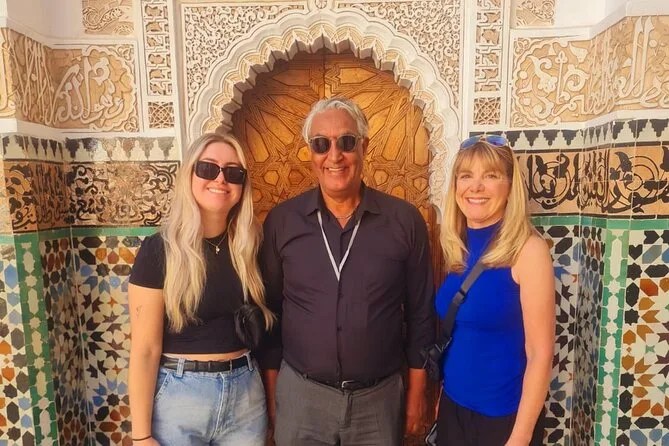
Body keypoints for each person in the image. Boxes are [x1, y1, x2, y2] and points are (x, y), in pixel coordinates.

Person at [258, 97, 436, 446]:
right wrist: (275, 395)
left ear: (364, 146)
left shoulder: (404, 221)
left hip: (378, 401)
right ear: (310, 152)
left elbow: (421, 314)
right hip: (301, 398)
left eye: (347, 142)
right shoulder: (282, 222)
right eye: (321, 144)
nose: (334, 155)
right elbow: (270, 315)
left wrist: (416, 394)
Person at [127, 133, 274, 445]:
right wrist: (141, 436)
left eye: (233, 172)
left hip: (246, 396)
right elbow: (145, 349)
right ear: (189, 175)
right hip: (181, 397)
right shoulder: (159, 250)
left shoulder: (251, 247)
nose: (221, 179)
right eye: (208, 168)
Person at [434, 135, 555, 445]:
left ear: (510, 186)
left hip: (502, 420)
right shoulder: (457, 247)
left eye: (490, 175)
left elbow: (540, 354)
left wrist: (520, 436)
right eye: (466, 176)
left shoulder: (529, 250)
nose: (475, 187)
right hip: (453, 410)